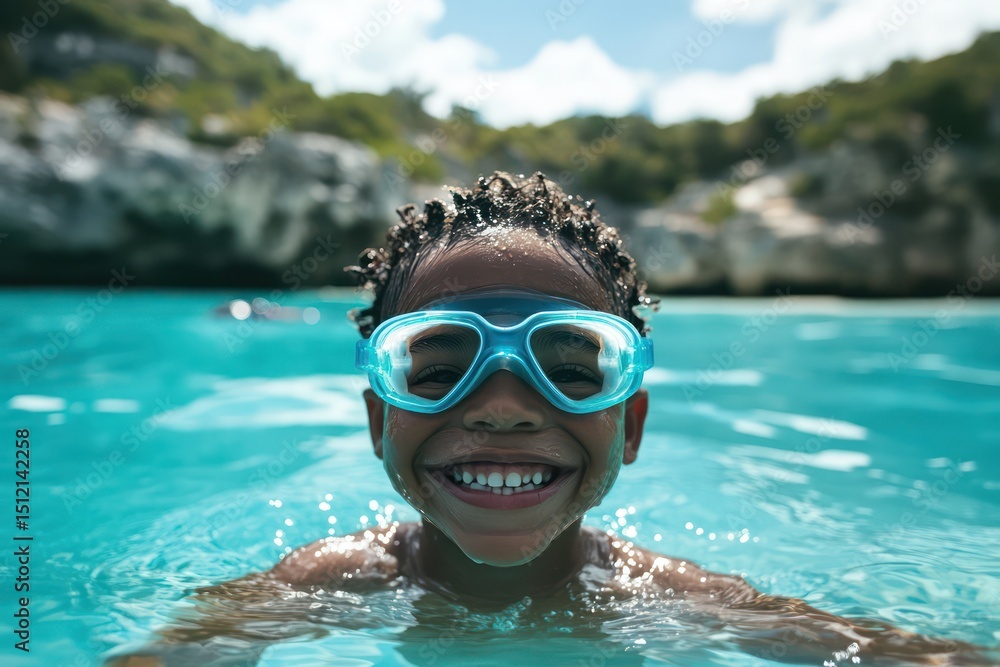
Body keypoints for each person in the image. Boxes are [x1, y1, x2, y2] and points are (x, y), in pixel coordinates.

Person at [109, 172, 989, 666]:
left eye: (571, 369)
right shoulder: (323, 584)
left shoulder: (673, 600)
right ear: (381, 418)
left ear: (631, 425)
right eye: (439, 369)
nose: (499, 406)